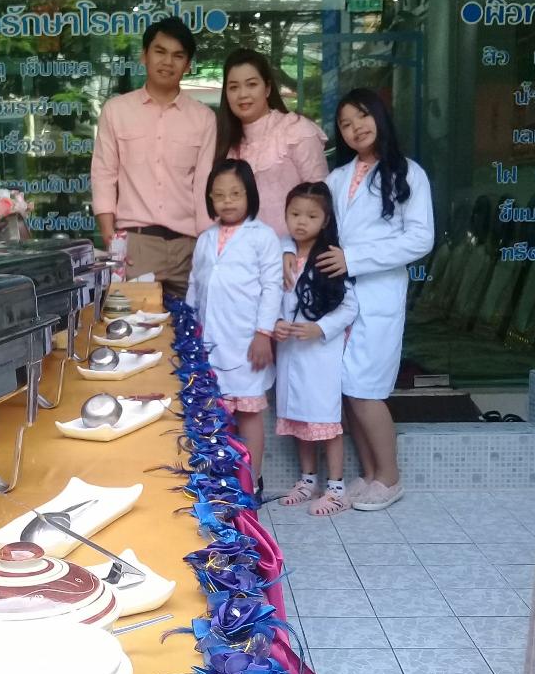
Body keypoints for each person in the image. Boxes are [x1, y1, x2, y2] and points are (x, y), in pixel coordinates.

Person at [312, 88, 434, 512]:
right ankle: (368, 474)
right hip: (341, 296)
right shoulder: (338, 178)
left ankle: (390, 478)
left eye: (362, 117)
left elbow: (420, 239)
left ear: (380, 117)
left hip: (379, 293)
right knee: (347, 389)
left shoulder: (408, 173)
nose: (355, 128)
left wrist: (355, 259)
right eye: (345, 124)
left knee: (366, 390)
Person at [91, 17, 216, 298]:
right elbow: (104, 175)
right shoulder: (117, 111)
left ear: (188, 65)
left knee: (192, 324)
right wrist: (112, 240)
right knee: (135, 324)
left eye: (178, 55)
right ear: (144, 55)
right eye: (160, 52)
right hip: (136, 245)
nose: (168, 62)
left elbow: (204, 184)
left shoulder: (204, 118)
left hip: (188, 246)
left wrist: (205, 245)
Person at [186, 159, 283, 496]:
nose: (227, 201)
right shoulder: (205, 239)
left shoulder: (263, 236)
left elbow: (273, 287)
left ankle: (251, 482)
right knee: (214, 413)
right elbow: (194, 286)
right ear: (210, 199)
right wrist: (189, 330)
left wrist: (263, 334)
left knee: (249, 414)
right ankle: (219, 483)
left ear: (250, 195)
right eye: (219, 195)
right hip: (209, 343)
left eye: (235, 193)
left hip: (247, 344)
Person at [274, 182, 359, 517]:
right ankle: (308, 481)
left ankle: (336, 489)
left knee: (325, 421)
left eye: (311, 216)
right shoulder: (283, 257)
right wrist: (277, 323)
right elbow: (273, 299)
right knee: (300, 421)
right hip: (290, 352)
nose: (301, 221)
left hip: (320, 355)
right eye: (295, 214)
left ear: (325, 221)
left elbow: (350, 306)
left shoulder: (329, 259)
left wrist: (320, 328)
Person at [216, 49, 328, 238]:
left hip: (292, 250)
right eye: (233, 87)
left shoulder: (296, 130)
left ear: (267, 88)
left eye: (251, 84)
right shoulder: (224, 143)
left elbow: (321, 198)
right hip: (242, 250)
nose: (242, 94)